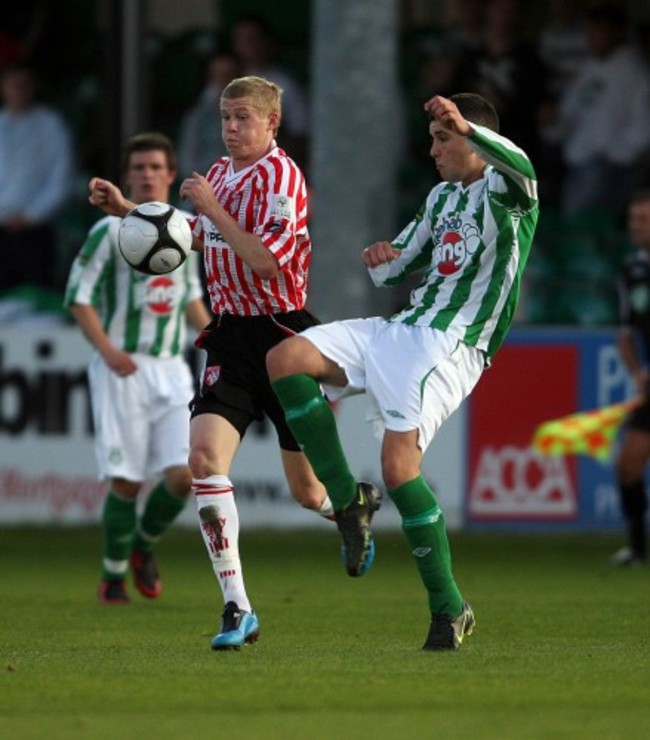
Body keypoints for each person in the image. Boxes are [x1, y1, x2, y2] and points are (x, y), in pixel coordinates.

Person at [267, 92, 539, 651]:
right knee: (284, 359)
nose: (433, 148)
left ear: (472, 138)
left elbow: (523, 167)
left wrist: (466, 124)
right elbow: (401, 269)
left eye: (444, 138)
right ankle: (347, 500)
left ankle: (449, 607)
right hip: (403, 329)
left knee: (399, 466)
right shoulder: (440, 198)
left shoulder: (509, 194)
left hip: (452, 343)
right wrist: (382, 257)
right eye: (435, 138)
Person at [178, 75, 343, 651]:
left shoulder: (283, 177)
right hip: (229, 338)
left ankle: (346, 509)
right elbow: (202, 238)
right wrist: (133, 215)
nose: (230, 128)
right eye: (225, 117)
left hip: (281, 338)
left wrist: (213, 210)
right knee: (203, 458)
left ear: (272, 123)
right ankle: (237, 606)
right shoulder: (221, 174)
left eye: (242, 117)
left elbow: (266, 261)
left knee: (306, 491)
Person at [63, 132, 211, 604]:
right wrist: (107, 350)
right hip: (122, 368)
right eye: (139, 168)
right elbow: (77, 297)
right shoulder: (109, 231)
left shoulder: (187, 229)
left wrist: (220, 341)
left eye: (155, 167)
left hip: (172, 368)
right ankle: (112, 576)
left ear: (171, 174)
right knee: (126, 480)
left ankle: (142, 546)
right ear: (128, 176)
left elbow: (189, 298)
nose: (147, 174)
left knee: (184, 475)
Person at [549, 3, 650, 220]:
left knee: (582, 229)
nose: (592, 37)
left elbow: (643, 129)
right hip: (576, 160)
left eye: (599, 31)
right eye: (590, 31)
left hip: (607, 169)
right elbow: (571, 110)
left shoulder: (637, 73)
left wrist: (612, 155)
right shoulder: (590, 66)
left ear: (618, 32)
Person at [0, 63, 74, 297]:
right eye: (14, 85)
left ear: (32, 88)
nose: (19, 91)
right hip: (1, 225)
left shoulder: (50, 124)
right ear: (4, 87)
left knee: (37, 298)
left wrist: (32, 215)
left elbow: (61, 178)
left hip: (35, 228)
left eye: (24, 85)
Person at [613, 190, 650, 566]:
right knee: (628, 463)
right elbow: (624, 332)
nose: (635, 226)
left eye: (643, 219)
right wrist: (638, 373)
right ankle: (638, 549)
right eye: (633, 219)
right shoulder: (632, 271)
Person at [177, 50, 240, 179]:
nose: (223, 82)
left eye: (228, 76)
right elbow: (186, 166)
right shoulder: (196, 117)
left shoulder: (258, 118)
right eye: (217, 76)